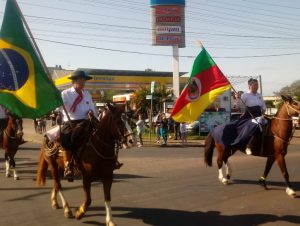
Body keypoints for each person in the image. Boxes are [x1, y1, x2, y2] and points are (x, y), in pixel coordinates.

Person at [59, 70, 97, 179]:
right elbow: (59, 108)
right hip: (71, 121)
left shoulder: (87, 93)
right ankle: (68, 165)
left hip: (86, 121)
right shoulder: (65, 93)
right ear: (74, 81)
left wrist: (91, 112)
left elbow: (91, 108)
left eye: (84, 80)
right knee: (65, 137)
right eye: (82, 80)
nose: (84, 82)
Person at [239, 78, 266, 155]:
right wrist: (238, 99)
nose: (257, 86)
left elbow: (263, 107)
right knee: (257, 126)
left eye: (258, 85)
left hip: (259, 115)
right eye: (255, 85)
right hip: (249, 115)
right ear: (250, 86)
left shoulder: (259, 95)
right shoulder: (245, 95)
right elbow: (240, 106)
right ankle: (248, 146)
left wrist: (263, 115)